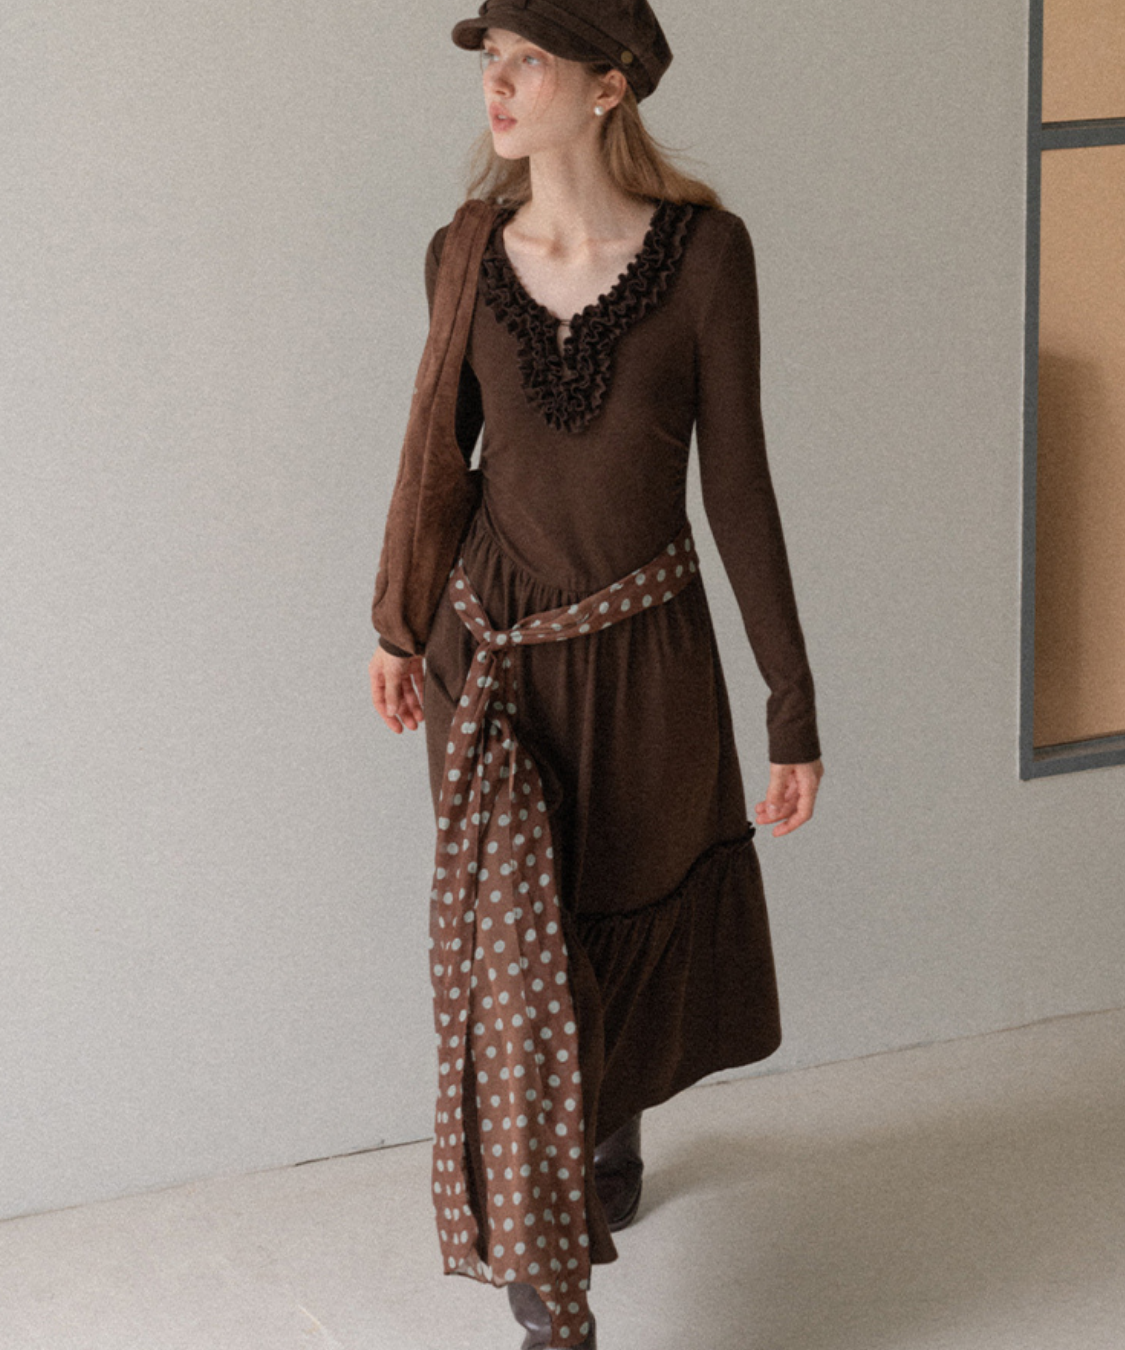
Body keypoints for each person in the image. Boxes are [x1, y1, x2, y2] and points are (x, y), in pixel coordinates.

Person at [368, 2, 824, 1345]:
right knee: (516, 961)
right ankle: (549, 1298)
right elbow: (437, 453)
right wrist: (397, 625)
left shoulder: (707, 258)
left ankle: (607, 1132)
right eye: (491, 60)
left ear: (610, 86)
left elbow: (736, 486)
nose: (498, 84)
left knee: (615, 920)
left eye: (529, 61)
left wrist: (790, 702)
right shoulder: (462, 252)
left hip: (644, 657)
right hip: (491, 662)